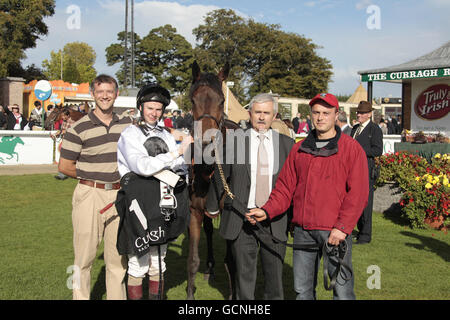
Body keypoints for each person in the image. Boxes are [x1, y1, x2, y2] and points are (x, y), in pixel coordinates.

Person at [247, 93, 369, 300]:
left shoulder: (351, 149)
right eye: (316, 113)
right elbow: (285, 188)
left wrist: (342, 227)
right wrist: (266, 210)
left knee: (342, 291)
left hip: (334, 232)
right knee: (302, 292)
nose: (320, 117)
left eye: (326, 113)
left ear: (336, 115)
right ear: (310, 115)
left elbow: (358, 193)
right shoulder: (299, 148)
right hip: (303, 231)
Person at [206, 93, 294, 300]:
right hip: (241, 219)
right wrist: (212, 207)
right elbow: (220, 177)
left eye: (266, 113)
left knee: (275, 282)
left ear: (274, 116)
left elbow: (293, 186)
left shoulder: (287, 145)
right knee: (244, 281)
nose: (262, 117)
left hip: (275, 222)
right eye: (258, 112)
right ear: (249, 113)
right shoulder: (235, 142)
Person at [58, 74, 132, 300]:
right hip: (89, 194)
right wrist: (92, 177)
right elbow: (65, 166)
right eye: (100, 92)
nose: (105, 96)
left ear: (116, 94)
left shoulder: (128, 125)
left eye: (109, 91)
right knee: (83, 259)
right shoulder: (79, 127)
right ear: (93, 95)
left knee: (117, 260)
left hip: (119, 195)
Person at [116, 84, 192, 300]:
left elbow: (180, 167)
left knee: (159, 260)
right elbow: (141, 166)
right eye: (150, 108)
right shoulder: (130, 134)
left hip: (163, 201)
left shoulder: (166, 135)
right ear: (141, 107)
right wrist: (176, 152)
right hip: (138, 202)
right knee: (138, 261)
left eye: (158, 109)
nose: (154, 113)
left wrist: (180, 174)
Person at [351, 101, 383, 244]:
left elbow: (378, 150)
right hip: (353, 170)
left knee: (366, 203)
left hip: (366, 169)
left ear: (369, 114)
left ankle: (365, 234)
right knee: (355, 201)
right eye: (358, 112)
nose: (359, 115)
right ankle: (358, 229)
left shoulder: (374, 129)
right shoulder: (355, 129)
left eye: (362, 113)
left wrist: (359, 151)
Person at [51, 109, 75, 180]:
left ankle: (64, 174)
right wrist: (55, 135)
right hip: (65, 142)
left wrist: (62, 132)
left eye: (64, 116)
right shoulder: (64, 122)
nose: (62, 117)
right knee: (63, 158)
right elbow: (61, 130)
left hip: (71, 142)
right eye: (62, 116)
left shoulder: (72, 122)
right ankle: (62, 174)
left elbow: (71, 132)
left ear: (68, 115)